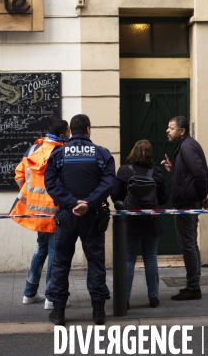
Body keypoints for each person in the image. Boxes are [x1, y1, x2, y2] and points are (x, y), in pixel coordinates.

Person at [44, 114, 116, 326]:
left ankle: (58, 313)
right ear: (88, 130)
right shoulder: (101, 154)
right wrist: (89, 203)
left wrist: (71, 202)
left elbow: (50, 182)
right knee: (95, 262)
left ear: (70, 131)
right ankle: (98, 312)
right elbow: (109, 182)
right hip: (92, 216)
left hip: (67, 215)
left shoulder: (59, 153)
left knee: (61, 262)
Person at [10, 119, 70, 309]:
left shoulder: (33, 150)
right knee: (54, 252)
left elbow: (19, 174)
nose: (70, 134)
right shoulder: (62, 152)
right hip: (55, 210)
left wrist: (30, 195)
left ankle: (29, 293)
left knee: (41, 249)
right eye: (68, 131)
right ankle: (51, 298)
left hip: (35, 211)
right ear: (62, 134)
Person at [111, 139, 169, 309]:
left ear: (133, 152)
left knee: (129, 259)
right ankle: (153, 298)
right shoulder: (157, 173)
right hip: (152, 221)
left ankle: (125, 298)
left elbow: (115, 196)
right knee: (150, 258)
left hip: (130, 222)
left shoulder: (124, 171)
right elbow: (165, 198)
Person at [161, 115, 208, 301]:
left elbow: (200, 172)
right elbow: (190, 174)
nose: (168, 130)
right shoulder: (185, 146)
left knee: (187, 245)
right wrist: (174, 169)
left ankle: (193, 287)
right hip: (188, 201)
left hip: (186, 203)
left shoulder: (188, 146)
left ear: (181, 131)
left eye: (171, 128)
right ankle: (193, 284)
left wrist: (201, 194)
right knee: (190, 244)